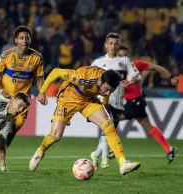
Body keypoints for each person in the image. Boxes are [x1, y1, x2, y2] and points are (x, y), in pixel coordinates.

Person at [29, 66, 141, 176]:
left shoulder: (107, 79)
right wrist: (42, 92)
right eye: (106, 89)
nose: (107, 93)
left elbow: (106, 94)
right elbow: (56, 72)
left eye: (109, 91)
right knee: (55, 136)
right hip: (68, 99)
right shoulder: (82, 78)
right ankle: (41, 151)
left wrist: (106, 108)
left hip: (88, 100)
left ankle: (123, 164)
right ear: (100, 80)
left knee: (108, 126)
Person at [0, 25, 44, 170]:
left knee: (12, 133)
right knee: (5, 130)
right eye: (21, 38)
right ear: (16, 40)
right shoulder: (6, 55)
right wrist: (2, 89)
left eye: (27, 38)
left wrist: (42, 92)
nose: (25, 41)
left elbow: (40, 78)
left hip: (23, 102)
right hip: (5, 100)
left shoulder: (37, 57)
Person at [106, 46, 178, 164]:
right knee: (148, 127)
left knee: (111, 120)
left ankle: (115, 149)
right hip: (135, 103)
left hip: (135, 102)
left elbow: (156, 67)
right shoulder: (116, 71)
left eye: (125, 55)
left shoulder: (136, 65)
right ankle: (169, 149)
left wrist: (170, 76)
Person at [89, 32, 142, 169]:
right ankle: (107, 161)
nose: (113, 46)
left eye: (116, 43)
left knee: (109, 131)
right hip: (102, 102)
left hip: (118, 103)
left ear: (119, 44)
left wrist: (130, 80)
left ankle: (96, 155)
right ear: (106, 45)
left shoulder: (124, 61)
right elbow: (90, 81)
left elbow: (138, 76)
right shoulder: (98, 63)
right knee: (108, 129)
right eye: (110, 43)